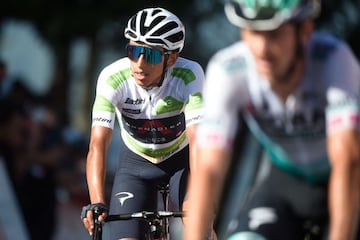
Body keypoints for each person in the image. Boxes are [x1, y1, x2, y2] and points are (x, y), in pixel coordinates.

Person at [186, 0, 360, 240]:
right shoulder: (228, 69)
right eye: (253, 32)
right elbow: (209, 170)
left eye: (274, 34)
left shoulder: (332, 59)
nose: (262, 48)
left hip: (349, 181)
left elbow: (348, 159)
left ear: (305, 30)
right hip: (286, 182)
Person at [81, 7, 205, 240]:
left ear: (172, 58)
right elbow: (98, 144)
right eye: (133, 50)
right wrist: (97, 200)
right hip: (135, 164)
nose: (139, 63)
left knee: (199, 227)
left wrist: (198, 196)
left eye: (150, 55)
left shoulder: (189, 74)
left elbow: (199, 140)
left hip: (180, 161)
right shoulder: (112, 77)